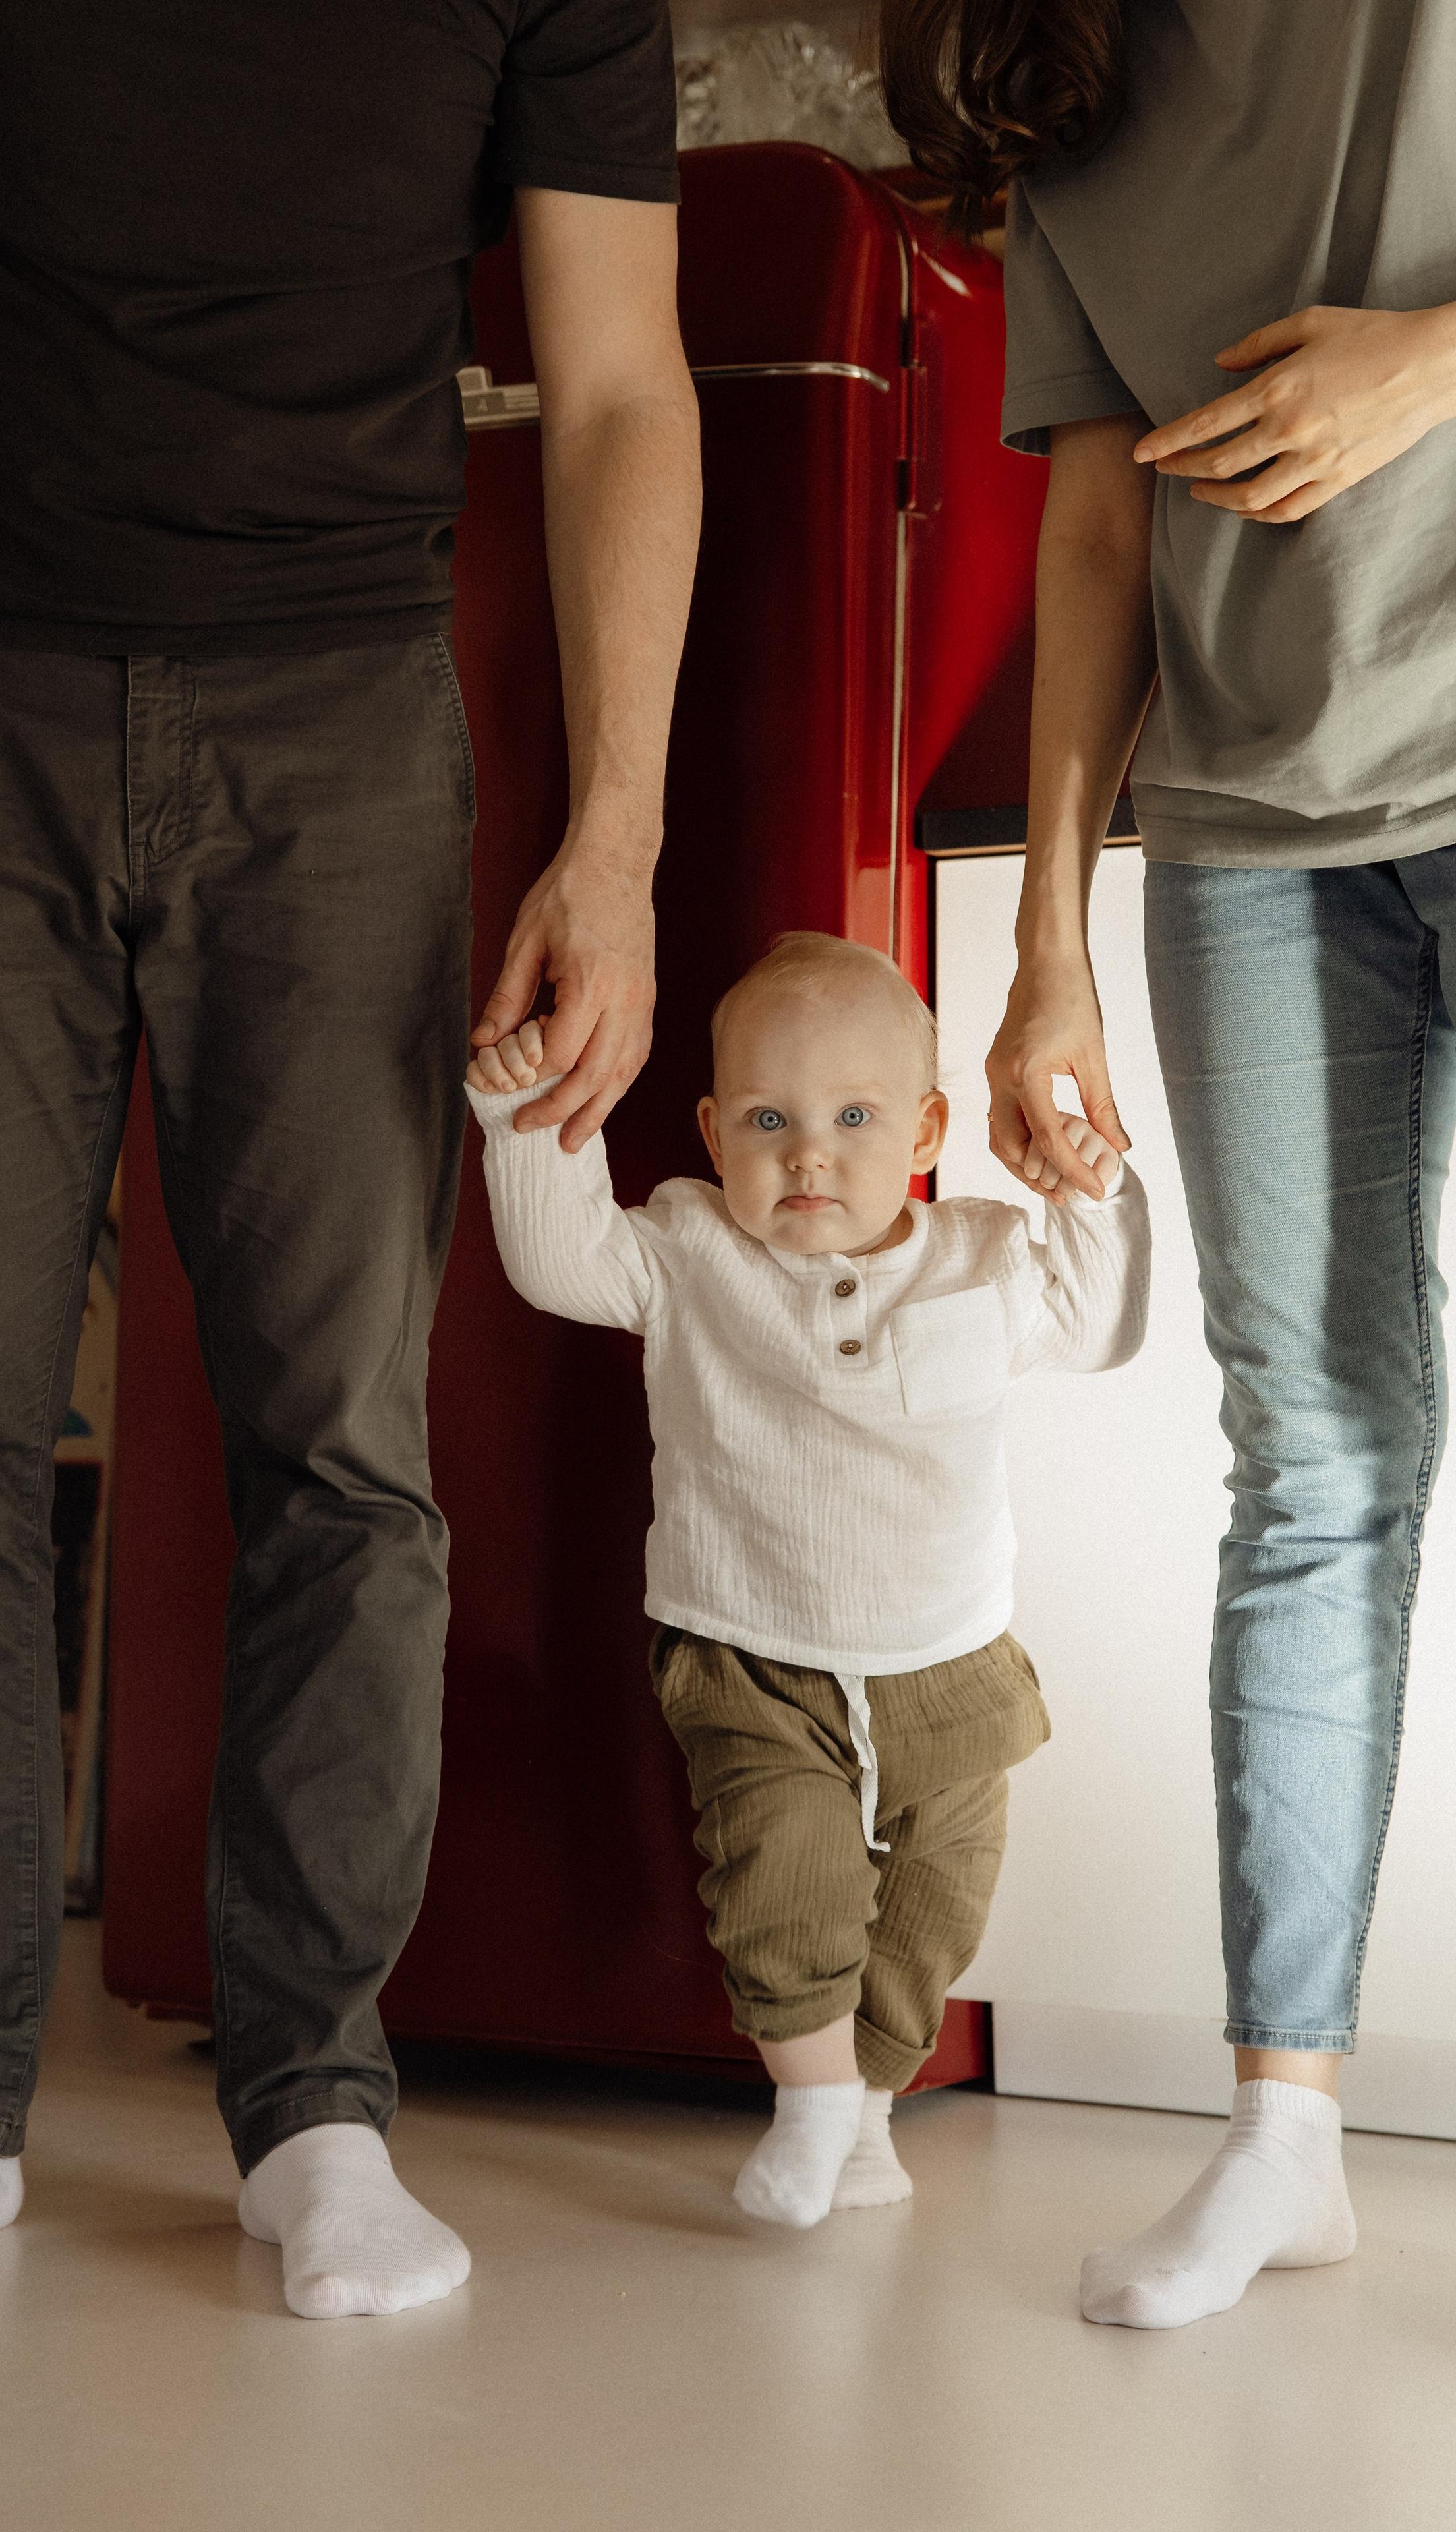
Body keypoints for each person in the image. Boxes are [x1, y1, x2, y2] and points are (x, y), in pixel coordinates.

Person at [881, 0, 1456, 2413]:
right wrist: (1045, 940)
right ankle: (1282, 2131)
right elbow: (1099, 516)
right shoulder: (1045, 56)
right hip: (1249, 824)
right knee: (1312, 1464)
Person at [0, 3, 701, 2318]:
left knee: (340, 1449)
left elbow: (619, 385)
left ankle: (315, 2106)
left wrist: (617, 848)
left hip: (338, 716)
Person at [464, 932, 1150, 2224]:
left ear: (927, 1129)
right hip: (749, 1650)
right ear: (715, 1133)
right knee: (782, 1883)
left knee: (937, 1904)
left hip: (949, 1657)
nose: (808, 1156)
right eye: (769, 1121)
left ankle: (866, 2105)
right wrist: (524, 1118)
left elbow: (1101, 1325)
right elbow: (558, 1263)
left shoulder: (984, 1255)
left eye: (853, 1118)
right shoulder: (690, 1248)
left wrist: (1089, 1190)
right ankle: (815, 2103)